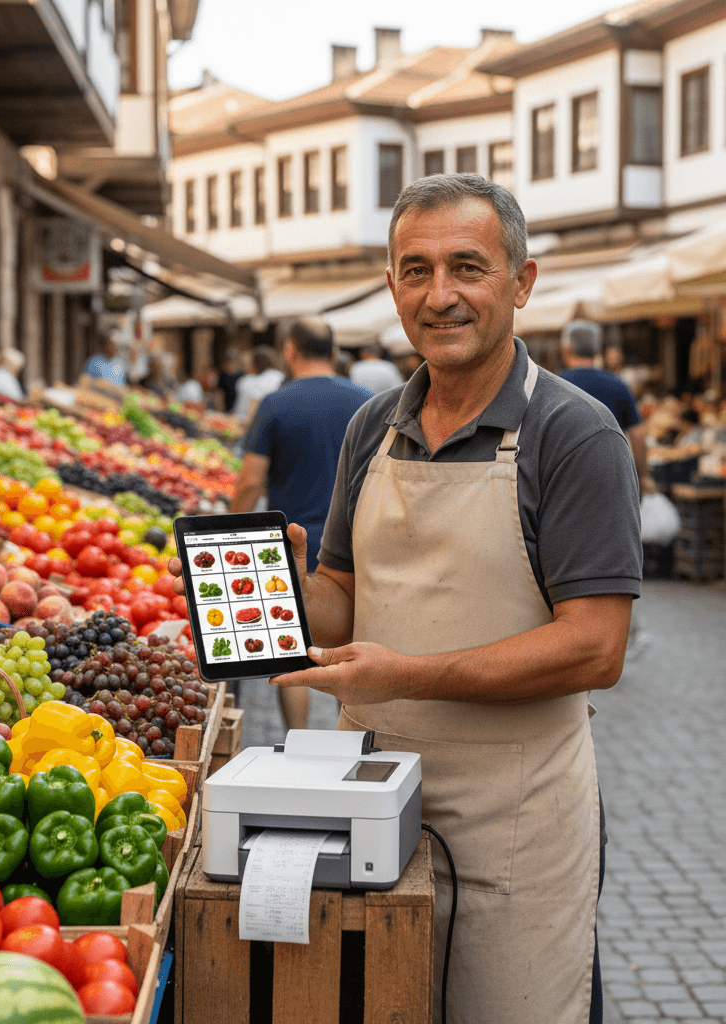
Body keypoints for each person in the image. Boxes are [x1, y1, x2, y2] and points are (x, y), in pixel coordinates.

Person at [178, 174, 641, 1023]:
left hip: (518, 814)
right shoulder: (373, 425)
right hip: (364, 799)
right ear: (393, 287)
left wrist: (407, 673)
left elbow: (595, 648)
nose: (441, 295)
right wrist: (280, 588)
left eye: (468, 267)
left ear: (521, 282)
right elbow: (344, 608)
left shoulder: (573, 434)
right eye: (415, 270)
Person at [229, 316, 373, 731]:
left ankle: (299, 741)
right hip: (355, 545)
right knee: (352, 644)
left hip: (292, 546)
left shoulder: (275, 404)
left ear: (289, 352)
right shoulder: (367, 401)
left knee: (291, 646)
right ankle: (353, 736)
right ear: (332, 351)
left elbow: (251, 482)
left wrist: (234, 543)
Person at [560, 319, 653, 493]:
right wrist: (643, 476)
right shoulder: (618, 385)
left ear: (566, 350)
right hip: (613, 479)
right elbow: (638, 435)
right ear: (597, 351)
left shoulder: (553, 386)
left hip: (567, 482)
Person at [232, 346, 284, 423]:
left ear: (255, 364)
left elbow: (252, 409)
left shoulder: (250, 380)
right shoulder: (281, 376)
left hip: (256, 425)